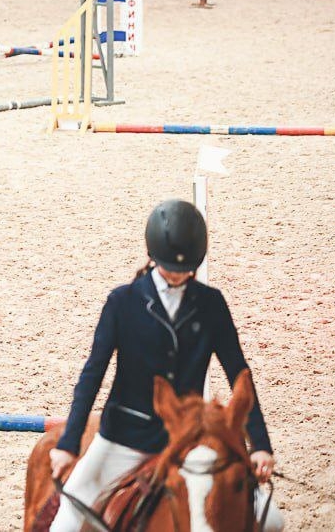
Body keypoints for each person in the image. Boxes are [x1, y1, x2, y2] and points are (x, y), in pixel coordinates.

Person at [48, 199, 283, 531]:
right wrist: (68, 443)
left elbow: (238, 372)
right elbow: (92, 375)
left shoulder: (212, 304)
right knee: (65, 522)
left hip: (190, 441)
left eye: (185, 269)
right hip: (125, 436)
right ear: (153, 255)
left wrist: (260, 445)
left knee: (271, 521)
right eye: (170, 267)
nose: (177, 274)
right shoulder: (122, 302)